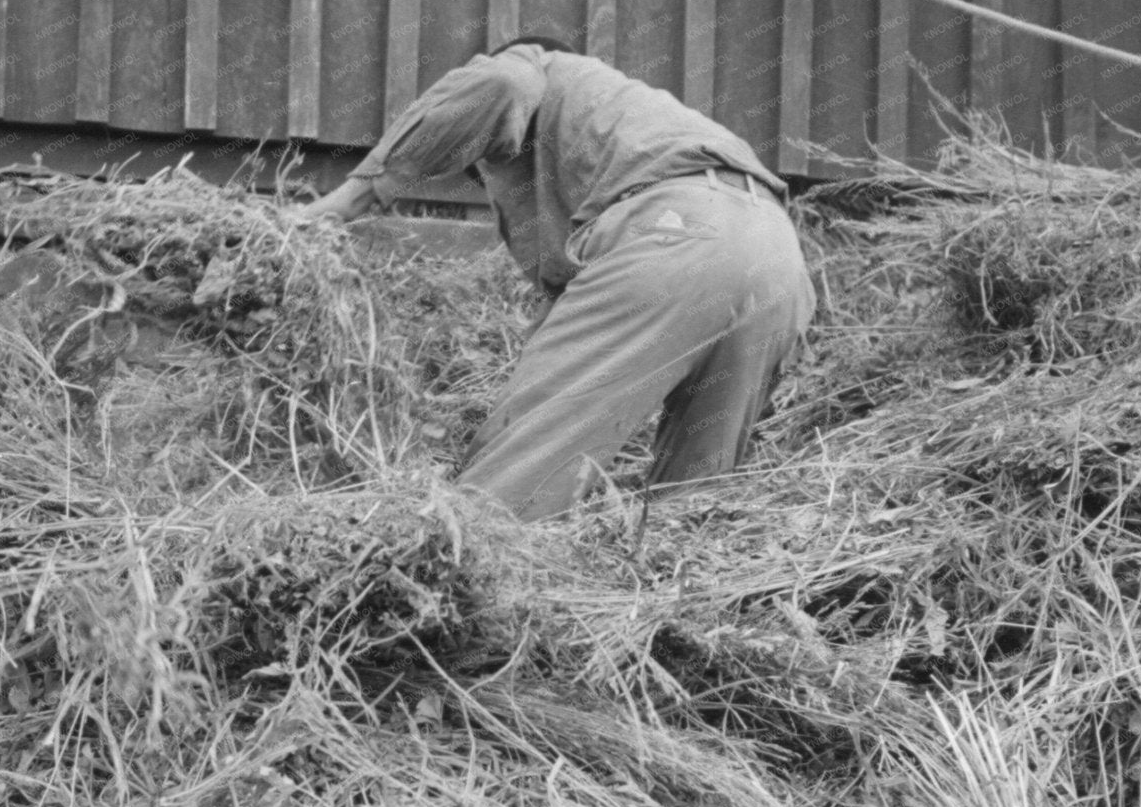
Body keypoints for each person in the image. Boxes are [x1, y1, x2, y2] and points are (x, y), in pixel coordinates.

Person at [305, 36, 813, 522]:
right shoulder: (628, 123)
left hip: (678, 232)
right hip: (776, 255)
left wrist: (342, 205)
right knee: (691, 503)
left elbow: (500, 84)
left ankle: (458, 562)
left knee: (510, 488)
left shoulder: (533, 65)